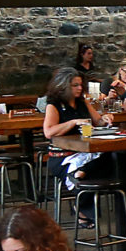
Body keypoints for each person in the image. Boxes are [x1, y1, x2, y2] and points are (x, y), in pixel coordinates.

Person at [42, 67, 113, 224]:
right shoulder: (53, 106)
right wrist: (73, 122)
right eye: (75, 85)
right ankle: (82, 204)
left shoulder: (82, 102)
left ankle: (81, 174)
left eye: (81, 85)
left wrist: (105, 119)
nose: (80, 88)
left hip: (86, 152)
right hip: (62, 156)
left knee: (115, 156)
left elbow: (97, 121)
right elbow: (49, 132)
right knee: (97, 172)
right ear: (64, 86)